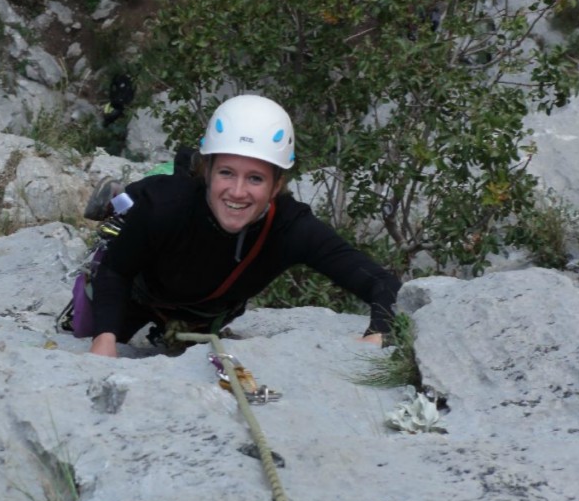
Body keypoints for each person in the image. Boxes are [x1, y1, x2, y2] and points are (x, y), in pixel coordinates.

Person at [87, 94, 401, 357]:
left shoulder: (290, 227)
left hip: (206, 314)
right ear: (207, 171)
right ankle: (122, 199)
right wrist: (104, 338)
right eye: (226, 173)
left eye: (255, 178)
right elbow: (116, 271)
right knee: (89, 330)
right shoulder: (165, 207)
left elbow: (381, 282)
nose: (237, 192)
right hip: (141, 292)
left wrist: (378, 334)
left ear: (276, 185)